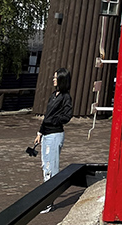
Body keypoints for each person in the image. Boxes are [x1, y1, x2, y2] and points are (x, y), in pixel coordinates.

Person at [34, 68, 73, 209]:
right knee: (45, 166)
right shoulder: (53, 95)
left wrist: (54, 120)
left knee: (52, 167)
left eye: (56, 77)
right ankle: (46, 199)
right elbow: (47, 114)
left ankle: (49, 202)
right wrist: (40, 132)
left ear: (62, 79)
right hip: (46, 134)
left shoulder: (65, 97)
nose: (53, 79)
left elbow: (67, 116)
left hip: (55, 135)